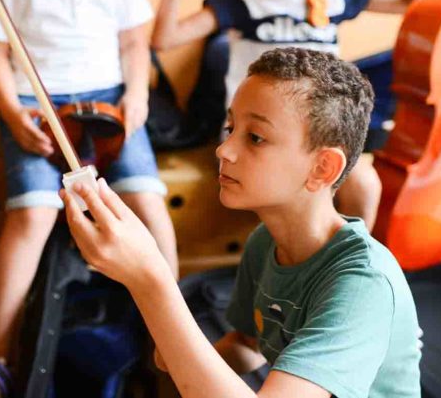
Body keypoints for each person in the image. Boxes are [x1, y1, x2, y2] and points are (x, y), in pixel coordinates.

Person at [62, 47, 422, 398]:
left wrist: (150, 280)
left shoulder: (363, 284)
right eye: (230, 127)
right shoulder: (266, 242)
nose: (224, 149)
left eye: (255, 138)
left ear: (322, 168)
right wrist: (182, 349)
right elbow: (249, 345)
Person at [149, 0, 441, 231]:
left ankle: (349, 261)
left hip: (321, 134)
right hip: (260, 135)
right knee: (295, 196)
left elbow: (407, 3)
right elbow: (165, 38)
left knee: (366, 186)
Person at [0, 0, 178, 365]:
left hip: (109, 98)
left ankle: (172, 348)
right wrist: (11, 111)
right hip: (36, 101)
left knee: (148, 205)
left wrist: (137, 94)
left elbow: (134, 44)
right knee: (33, 214)